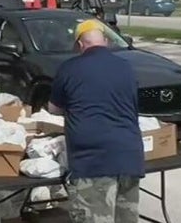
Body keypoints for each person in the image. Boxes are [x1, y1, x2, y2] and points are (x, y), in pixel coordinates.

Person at [47, 19, 144, 223]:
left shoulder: (69, 68)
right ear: (106, 42)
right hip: (129, 155)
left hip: (92, 159)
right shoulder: (126, 67)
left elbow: (53, 108)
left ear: (80, 45)